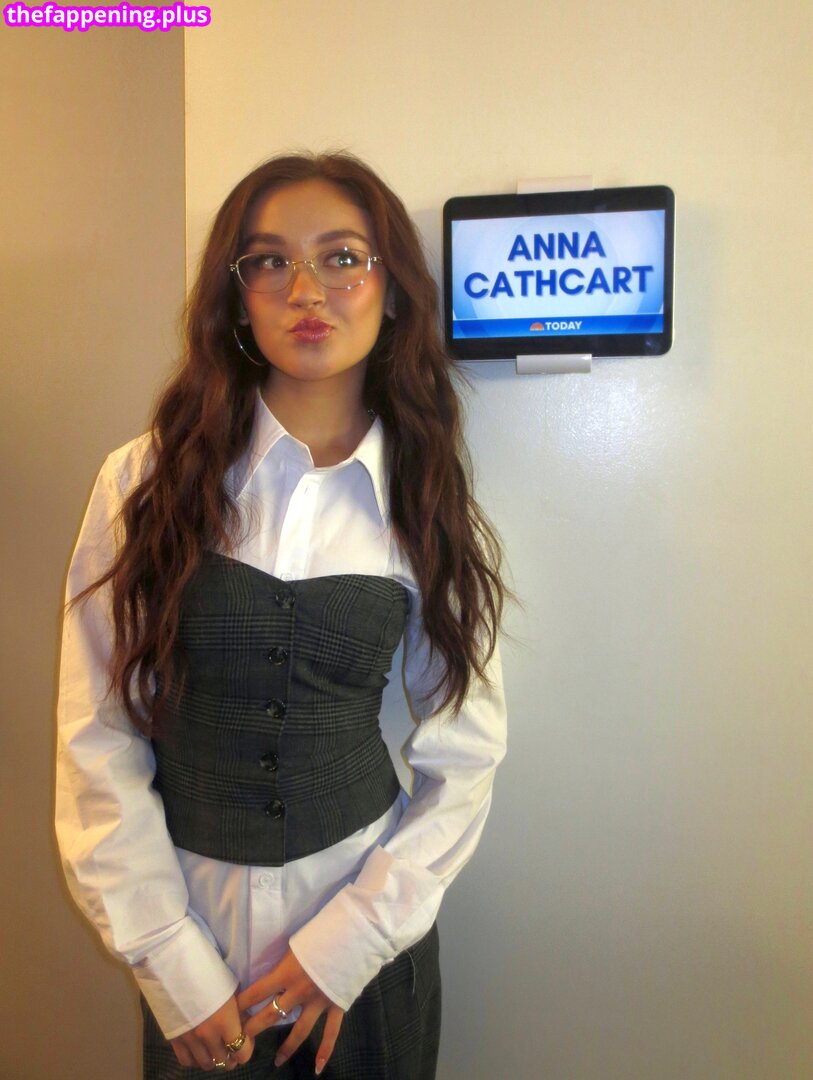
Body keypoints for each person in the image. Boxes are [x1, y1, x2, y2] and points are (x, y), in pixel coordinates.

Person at [56, 151, 508, 1079]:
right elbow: (94, 735)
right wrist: (171, 962)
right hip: (192, 954)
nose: (307, 290)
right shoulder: (141, 480)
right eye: (269, 261)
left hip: (362, 961)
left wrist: (347, 949)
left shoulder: (426, 500)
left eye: (342, 257)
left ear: (392, 288)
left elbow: (466, 752)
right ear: (236, 296)